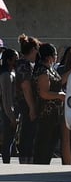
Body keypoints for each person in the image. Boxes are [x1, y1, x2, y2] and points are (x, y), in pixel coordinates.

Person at [32, 43, 66, 165]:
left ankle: (43, 163)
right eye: (55, 54)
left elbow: (59, 81)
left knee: (50, 143)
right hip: (46, 113)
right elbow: (44, 93)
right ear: (49, 56)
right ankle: (39, 165)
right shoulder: (42, 71)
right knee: (44, 143)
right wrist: (59, 95)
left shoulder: (50, 69)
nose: (57, 57)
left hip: (54, 113)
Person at [15, 34, 41, 164]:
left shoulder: (27, 64)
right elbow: (26, 87)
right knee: (27, 132)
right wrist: (31, 108)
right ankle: (25, 160)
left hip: (27, 102)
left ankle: (27, 158)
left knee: (29, 132)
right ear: (33, 50)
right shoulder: (23, 64)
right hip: (26, 103)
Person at [0, 48, 18, 163]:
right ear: (9, 60)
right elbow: (6, 98)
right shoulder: (6, 75)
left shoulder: (12, 73)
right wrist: (11, 117)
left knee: (10, 140)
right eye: (15, 59)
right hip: (6, 113)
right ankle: (6, 163)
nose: (17, 61)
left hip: (10, 111)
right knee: (7, 141)